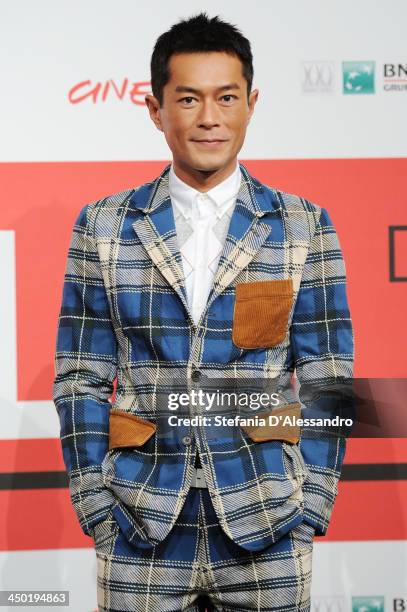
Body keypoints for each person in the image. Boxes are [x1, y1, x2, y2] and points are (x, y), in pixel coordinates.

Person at [53, 12, 354, 612]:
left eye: (226, 98)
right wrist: (95, 505)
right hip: (141, 522)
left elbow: (328, 377)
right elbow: (81, 375)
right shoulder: (106, 226)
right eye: (188, 99)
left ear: (251, 103)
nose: (209, 118)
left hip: (267, 518)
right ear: (155, 108)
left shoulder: (302, 225)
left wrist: (312, 502)